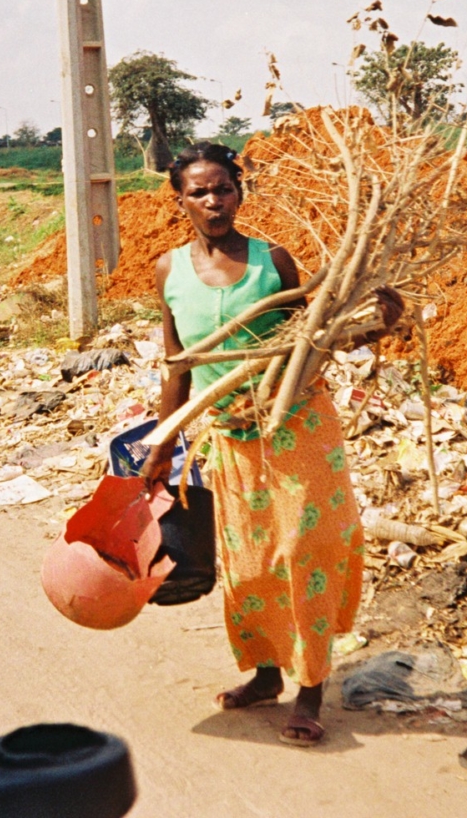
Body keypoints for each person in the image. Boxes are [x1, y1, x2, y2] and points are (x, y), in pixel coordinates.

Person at [143, 141, 401, 747]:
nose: (214, 201)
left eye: (223, 188)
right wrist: (161, 442)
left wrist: (375, 326)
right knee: (249, 564)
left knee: (307, 551)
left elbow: (315, 338)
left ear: (240, 191)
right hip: (230, 438)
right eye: (199, 192)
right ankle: (265, 675)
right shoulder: (169, 271)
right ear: (180, 200)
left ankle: (310, 692)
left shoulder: (273, 261)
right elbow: (176, 366)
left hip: (297, 429)